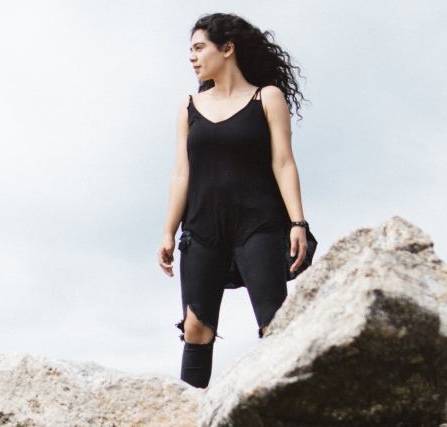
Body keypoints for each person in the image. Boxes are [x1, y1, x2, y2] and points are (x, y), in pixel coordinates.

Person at [156, 12, 311, 389]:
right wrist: (167, 232)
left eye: (199, 48)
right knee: (195, 327)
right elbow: (182, 172)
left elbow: (284, 162)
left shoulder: (266, 98)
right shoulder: (189, 105)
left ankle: (283, 409)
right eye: (189, 50)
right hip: (202, 227)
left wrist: (298, 223)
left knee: (274, 322)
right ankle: (190, 413)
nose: (192, 57)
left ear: (227, 48)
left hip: (259, 223)